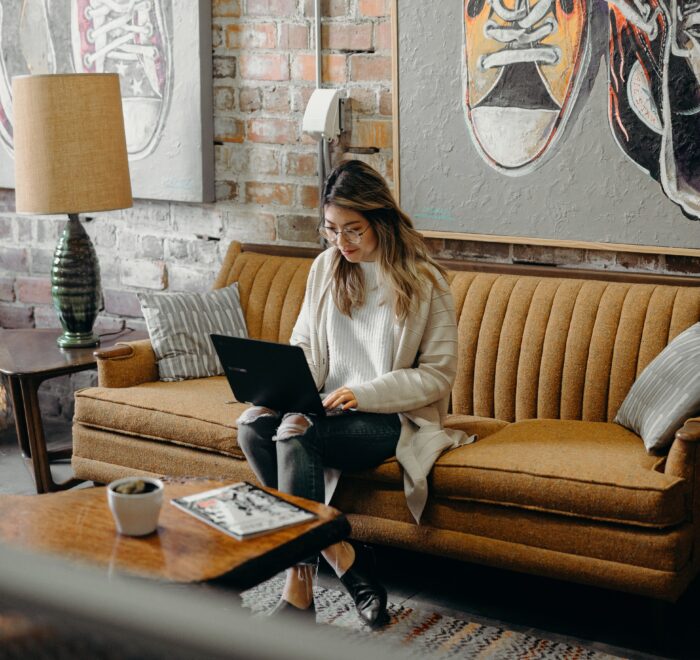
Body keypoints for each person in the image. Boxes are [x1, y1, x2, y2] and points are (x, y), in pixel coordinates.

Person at [236, 160, 469, 627]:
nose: (341, 243)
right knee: (254, 425)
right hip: (324, 404)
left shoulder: (425, 282)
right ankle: (342, 554)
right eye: (331, 230)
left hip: (388, 416)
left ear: (380, 220)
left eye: (353, 230)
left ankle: (298, 592)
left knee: (295, 433)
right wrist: (281, 388)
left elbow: (438, 376)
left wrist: (362, 393)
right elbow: (304, 343)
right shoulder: (326, 268)